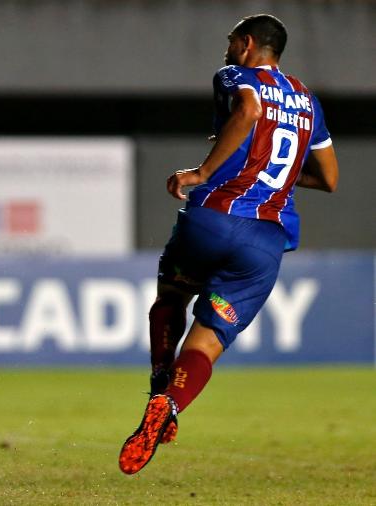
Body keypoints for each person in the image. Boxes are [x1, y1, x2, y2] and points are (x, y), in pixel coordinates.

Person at [118, 13, 339, 475]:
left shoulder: (235, 75)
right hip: (264, 242)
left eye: (230, 41)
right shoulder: (307, 100)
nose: (226, 49)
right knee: (210, 338)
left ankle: (160, 384)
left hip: (214, 218)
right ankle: (172, 405)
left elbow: (249, 111)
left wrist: (200, 172)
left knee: (172, 296)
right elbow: (330, 178)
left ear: (247, 43)